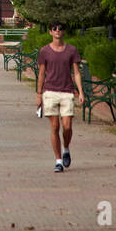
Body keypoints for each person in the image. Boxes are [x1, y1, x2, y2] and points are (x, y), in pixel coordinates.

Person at [35, 22, 84, 172]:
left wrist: (81, 91)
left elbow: (76, 72)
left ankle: (66, 148)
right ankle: (58, 161)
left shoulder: (71, 50)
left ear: (64, 32)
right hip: (50, 91)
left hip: (67, 91)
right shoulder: (45, 51)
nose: (58, 31)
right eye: (54, 29)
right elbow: (42, 73)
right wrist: (39, 94)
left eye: (60, 29)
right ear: (50, 32)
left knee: (67, 126)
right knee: (55, 127)